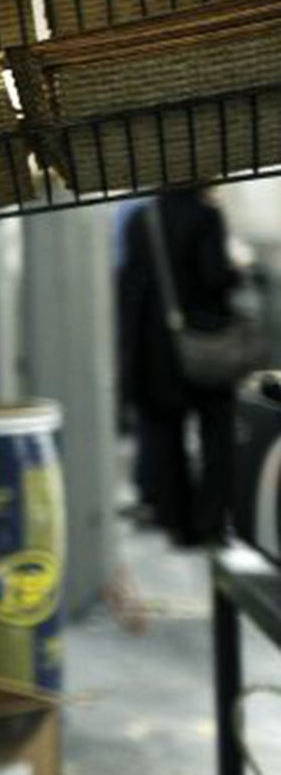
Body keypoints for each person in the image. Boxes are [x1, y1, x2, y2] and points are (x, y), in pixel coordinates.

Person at [118, 186, 240, 546]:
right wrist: (237, 270)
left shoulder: (143, 218)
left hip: (155, 351)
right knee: (217, 436)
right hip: (203, 346)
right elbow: (215, 276)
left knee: (165, 439)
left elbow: (129, 286)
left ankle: (177, 525)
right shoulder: (206, 216)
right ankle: (211, 522)